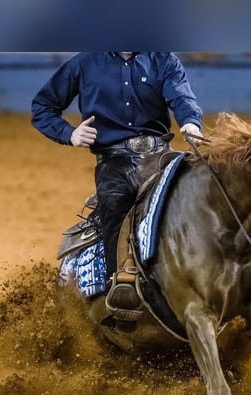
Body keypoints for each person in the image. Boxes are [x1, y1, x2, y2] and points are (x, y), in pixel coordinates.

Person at [31, 52, 203, 316]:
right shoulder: (84, 64)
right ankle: (120, 284)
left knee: (196, 194)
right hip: (114, 160)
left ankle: (211, 272)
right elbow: (43, 107)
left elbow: (181, 98)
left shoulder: (164, 60)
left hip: (161, 155)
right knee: (114, 202)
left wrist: (190, 123)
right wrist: (70, 133)